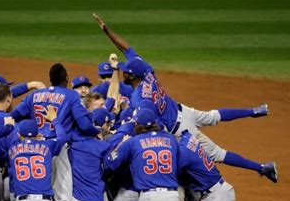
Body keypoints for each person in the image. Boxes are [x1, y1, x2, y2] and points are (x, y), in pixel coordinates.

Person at [93, 13, 278, 183]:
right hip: (185, 111)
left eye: (125, 71)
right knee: (213, 116)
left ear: (132, 76)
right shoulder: (147, 72)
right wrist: (108, 31)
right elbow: (127, 48)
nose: (123, 71)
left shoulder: (139, 99)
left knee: (219, 154)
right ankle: (255, 111)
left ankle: (262, 168)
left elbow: (149, 124)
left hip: (181, 129)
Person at [11, 63, 100, 201]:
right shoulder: (70, 96)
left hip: (37, 150)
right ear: (66, 78)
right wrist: (96, 130)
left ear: (49, 78)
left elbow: (15, 115)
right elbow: (85, 125)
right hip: (58, 151)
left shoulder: (36, 96)